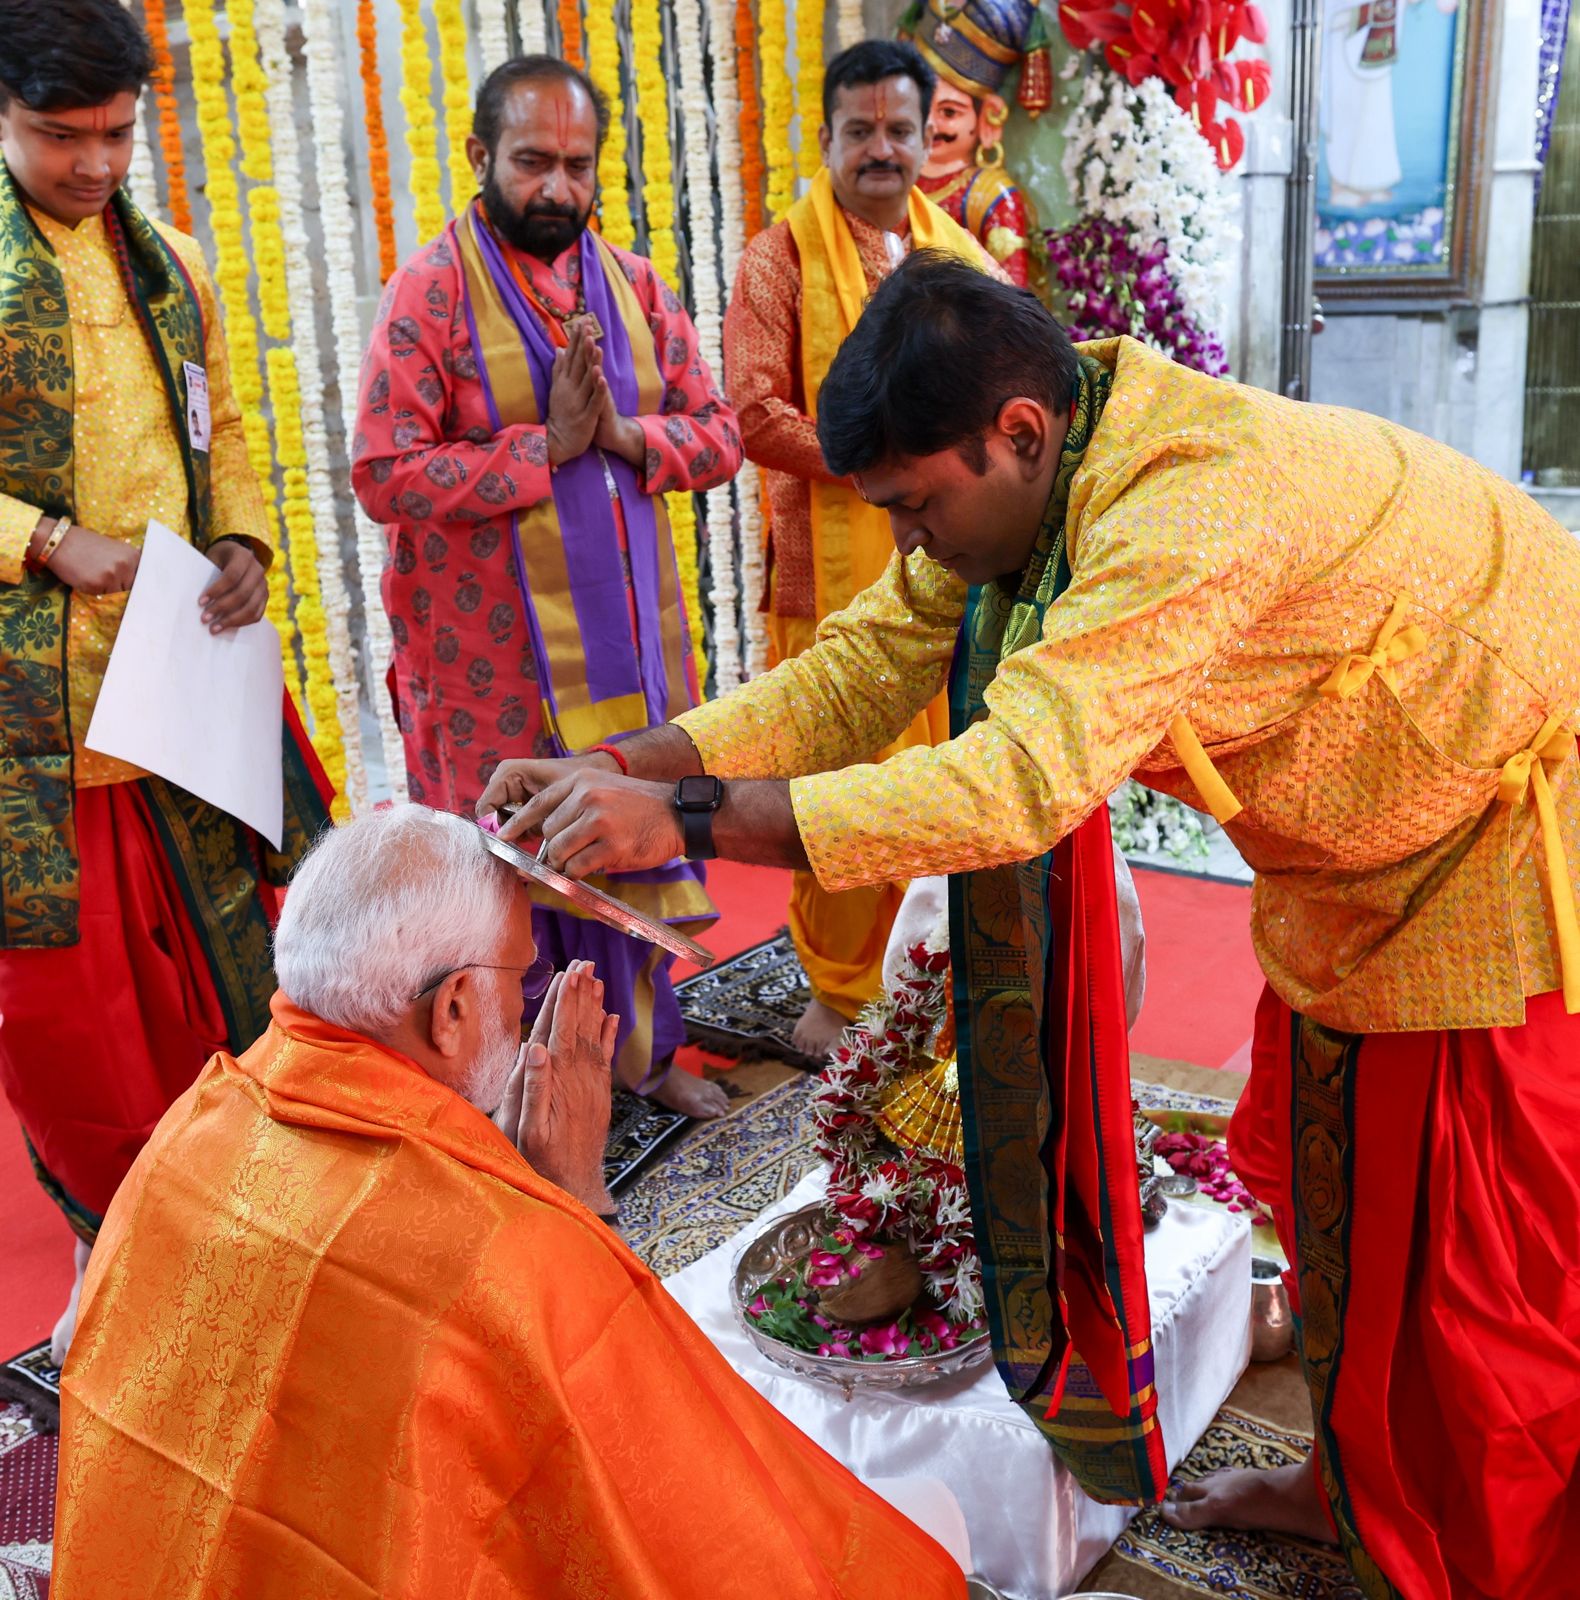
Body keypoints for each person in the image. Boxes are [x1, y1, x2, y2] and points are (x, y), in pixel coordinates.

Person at [479, 254, 1580, 1599]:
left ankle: (1475, 1561)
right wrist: (640, 766)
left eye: (916, 506)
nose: (908, 542)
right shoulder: (1049, 457)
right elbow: (864, 667)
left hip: (1494, 869)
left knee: (1472, 1289)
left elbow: (1018, 780)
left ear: (1017, 436)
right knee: (1331, 1191)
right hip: (1349, 869)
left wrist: (695, 822)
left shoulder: (1186, 513)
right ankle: (1347, 1483)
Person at [52, 805, 968, 1600]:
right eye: (522, 977)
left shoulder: (190, 1125)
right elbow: (655, 1477)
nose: (532, 1001)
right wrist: (570, 1204)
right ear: (451, 1009)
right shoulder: (497, 1246)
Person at [0, 0, 330, 1365]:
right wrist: (35, 538)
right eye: (58, 136)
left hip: (174, 699)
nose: (93, 166)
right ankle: (130, 1261)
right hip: (36, 737)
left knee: (227, 993)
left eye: (117, 134)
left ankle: (251, 1229)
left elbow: (229, 423)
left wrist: (246, 539)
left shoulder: (170, 262)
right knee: (77, 1036)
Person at [353, 56, 739, 1121]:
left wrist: (621, 435)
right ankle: (508, 1094)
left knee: (628, 833)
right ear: (480, 157)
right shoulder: (427, 294)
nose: (556, 189)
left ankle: (642, 1061)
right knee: (503, 875)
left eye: (576, 166)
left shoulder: (634, 285)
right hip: (485, 667)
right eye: (531, 163)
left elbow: (718, 438)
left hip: (627, 649)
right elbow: (381, 472)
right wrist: (541, 451)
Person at [723, 40, 997, 1058]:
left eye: (898, 130)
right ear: (828, 137)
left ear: (928, 138)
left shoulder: (959, 258)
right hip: (820, 580)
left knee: (934, 777)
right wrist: (889, 458)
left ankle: (925, 974)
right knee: (833, 780)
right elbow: (752, 414)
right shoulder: (776, 258)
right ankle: (839, 996)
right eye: (859, 131)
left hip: (949, 575)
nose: (879, 150)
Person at [904, 0, 1042, 289]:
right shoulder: (895, 182)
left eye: (949, 112)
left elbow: (1012, 293)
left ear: (987, 118)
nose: (931, 124)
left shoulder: (990, 195)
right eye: (922, 107)